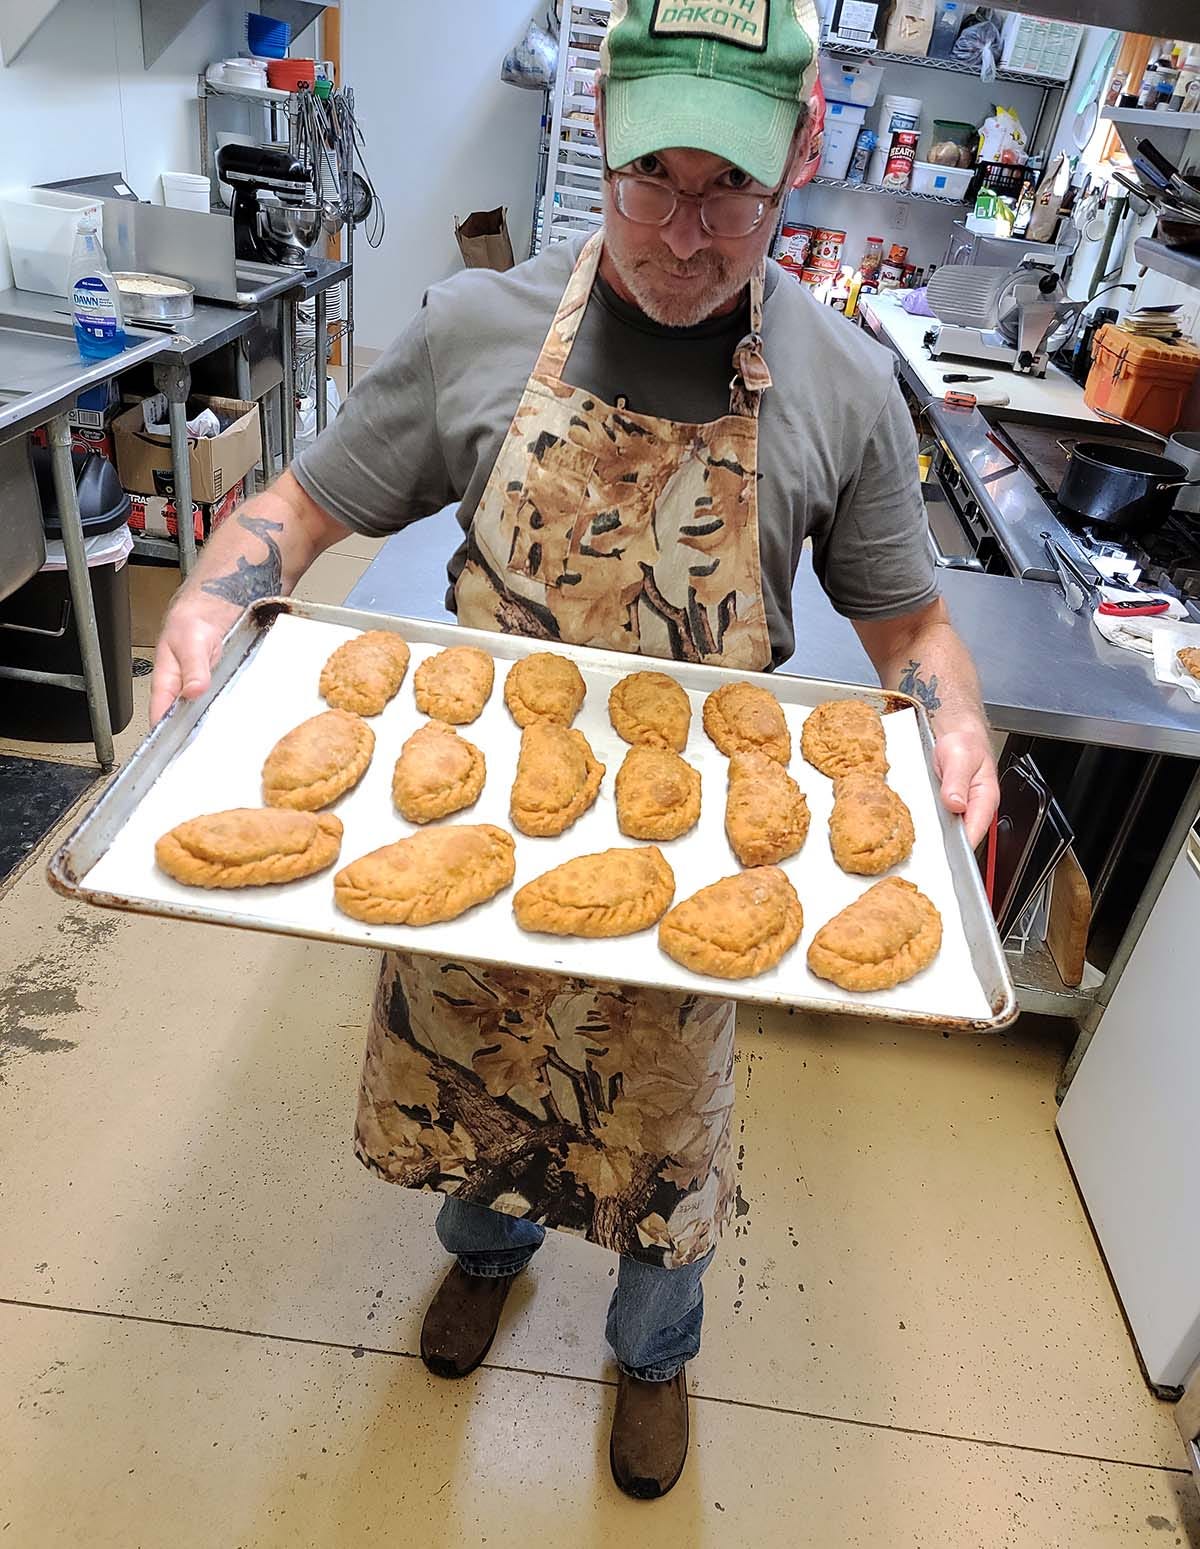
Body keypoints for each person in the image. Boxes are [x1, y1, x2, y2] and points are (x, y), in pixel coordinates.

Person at [151, 0, 999, 1501]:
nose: (683, 233)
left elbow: (912, 636)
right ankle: (486, 1259)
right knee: (477, 1108)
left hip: (692, 898)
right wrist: (216, 596)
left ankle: (653, 1351)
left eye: (730, 187)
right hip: (472, 860)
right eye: (651, 179)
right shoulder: (473, 331)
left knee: (669, 1159)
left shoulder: (843, 389)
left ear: (801, 157)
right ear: (599, 144)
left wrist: (957, 719)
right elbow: (290, 515)